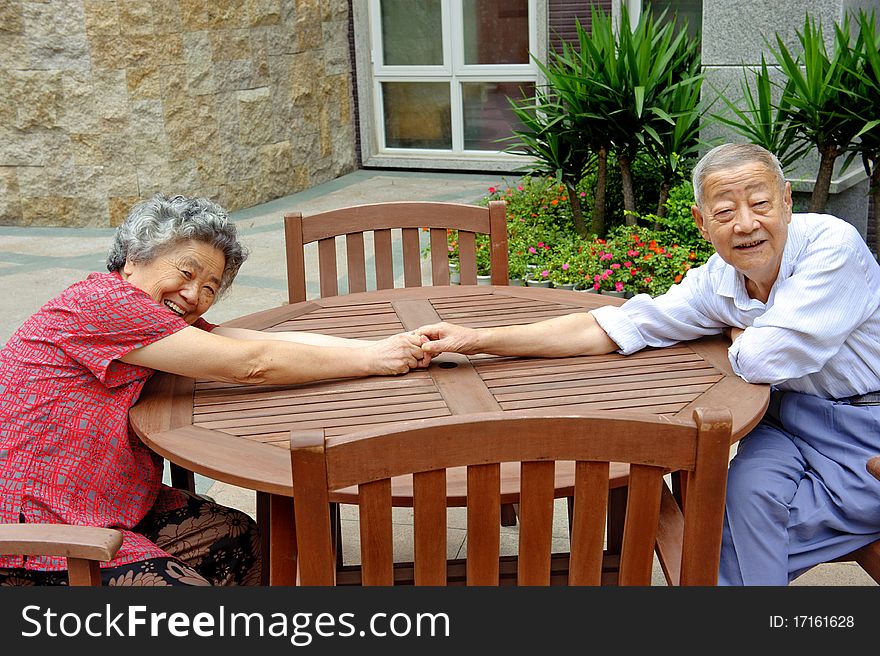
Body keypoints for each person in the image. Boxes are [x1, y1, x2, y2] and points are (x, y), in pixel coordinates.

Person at [417, 143, 880, 585]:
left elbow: (763, 359)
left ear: (785, 202)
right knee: (742, 498)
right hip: (784, 423)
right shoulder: (719, 279)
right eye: (724, 212)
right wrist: (479, 339)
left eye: (760, 203)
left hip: (867, 427)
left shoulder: (832, 248)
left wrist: (740, 334)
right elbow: (616, 326)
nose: (745, 224)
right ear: (702, 222)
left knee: (722, 537)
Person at [0, 194, 430, 586]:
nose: (192, 295)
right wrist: (374, 361)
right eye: (185, 273)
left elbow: (237, 340)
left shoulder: (151, 321)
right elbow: (251, 364)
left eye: (209, 287)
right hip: (37, 530)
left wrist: (378, 348)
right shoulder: (104, 303)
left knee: (240, 539)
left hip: (104, 503)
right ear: (132, 259)